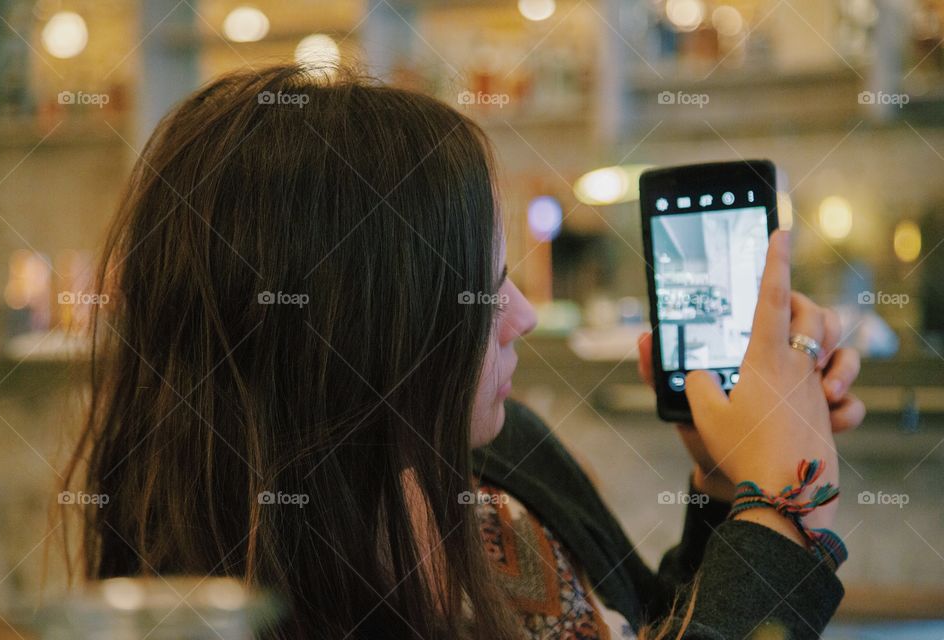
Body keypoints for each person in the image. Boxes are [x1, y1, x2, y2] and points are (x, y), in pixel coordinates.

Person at [62, 63, 864, 639]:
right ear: (369, 328)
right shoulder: (242, 606)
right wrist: (787, 510)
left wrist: (730, 484)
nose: (518, 314)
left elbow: (647, 623)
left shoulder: (504, 454)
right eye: (487, 284)